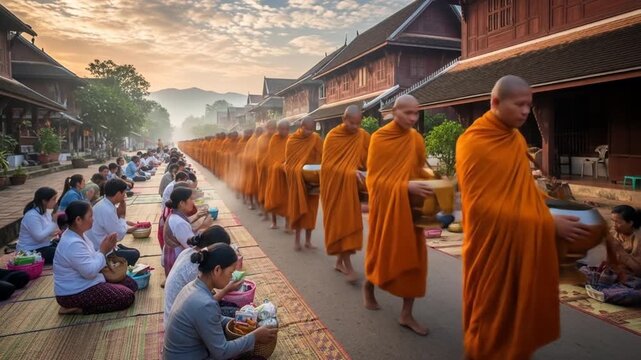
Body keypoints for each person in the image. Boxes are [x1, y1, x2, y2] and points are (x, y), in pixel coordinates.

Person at [456, 75, 590, 358]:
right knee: (489, 322)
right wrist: (546, 222)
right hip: (491, 246)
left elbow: (522, 188)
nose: (526, 111)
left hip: (520, 240)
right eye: (519, 104)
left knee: (518, 322)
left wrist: (551, 206)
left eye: (529, 105)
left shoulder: (515, 139)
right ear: (495, 102)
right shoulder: (473, 142)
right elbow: (482, 207)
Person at [362, 95, 432, 336]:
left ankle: (406, 313)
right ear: (394, 111)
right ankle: (369, 287)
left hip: (411, 209)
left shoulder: (416, 139)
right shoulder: (380, 138)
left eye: (416, 113)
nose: (413, 118)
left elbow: (418, 169)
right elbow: (374, 179)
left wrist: (433, 182)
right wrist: (404, 186)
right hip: (388, 207)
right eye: (408, 113)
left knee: (415, 259)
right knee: (383, 253)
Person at [163, 243, 277, 360]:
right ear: (217, 270)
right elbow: (222, 352)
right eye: (230, 273)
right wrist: (254, 337)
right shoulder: (205, 304)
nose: (231, 278)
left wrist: (239, 321)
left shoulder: (192, 287)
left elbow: (215, 318)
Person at [54, 201, 137, 315]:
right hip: (74, 292)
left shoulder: (79, 234)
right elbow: (90, 272)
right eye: (90, 216)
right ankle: (77, 309)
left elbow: (91, 259)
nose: (93, 219)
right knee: (126, 297)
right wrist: (103, 251)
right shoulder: (72, 243)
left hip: (89, 280)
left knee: (131, 284)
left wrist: (105, 248)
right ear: (78, 220)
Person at [320, 105, 370, 283]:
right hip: (334, 189)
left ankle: (339, 262)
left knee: (348, 226)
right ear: (344, 119)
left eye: (358, 123)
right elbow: (327, 166)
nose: (355, 127)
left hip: (351, 189)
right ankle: (348, 267)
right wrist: (349, 172)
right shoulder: (333, 137)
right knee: (341, 225)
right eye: (351, 123)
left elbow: (369, 159)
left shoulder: (363, 136)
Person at [163, 226, 241, 323]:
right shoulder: (194, 269)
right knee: (237, 314)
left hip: (176, 315)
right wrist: (226, 289)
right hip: (180, 320)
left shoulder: (189, 252)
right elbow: (205, 304)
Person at [581, 205, 641, 306]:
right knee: (580, 272)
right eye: (612, 221)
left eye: (617, 222)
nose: (613, 225)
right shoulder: (614, 233)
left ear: (630, 223)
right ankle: (604, 289)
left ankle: (604, 291)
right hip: (611, 275)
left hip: (632, 279)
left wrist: (621, 252)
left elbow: (639, 271)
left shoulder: (638, 239)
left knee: (632, 295)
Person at [284, 117, 323, 250]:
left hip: (313, 179)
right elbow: (288, 164)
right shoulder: (292, 140)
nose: (309, 132)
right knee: (298, 210)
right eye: (307, 129)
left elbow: (322, 157)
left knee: (311, 212)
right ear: (301, 126)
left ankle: (308, 241)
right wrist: (298, 169)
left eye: (312, 130)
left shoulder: (316, 138)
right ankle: (296, 241)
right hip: (298, 180)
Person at [85, 179, 141, 266]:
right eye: (123, 193)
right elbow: (119, 235)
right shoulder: (106, 209)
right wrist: (122, 216)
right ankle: (117, 274)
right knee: (134, 254)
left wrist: (124, 221)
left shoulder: (104, 203)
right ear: (118, 193)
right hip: (99, 249)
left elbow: (113, 224)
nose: (124, 196)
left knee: (128, 250)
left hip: (101, 243)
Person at [17, 187, 61, 264]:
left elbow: (47, 231)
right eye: (53, 199)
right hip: (30, 251)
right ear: (44, 201)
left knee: (65, 245)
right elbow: (39, 237)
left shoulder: (45, 212)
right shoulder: (32, 216)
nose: (55, 202)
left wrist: (56, 232)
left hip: (44, 246)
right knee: (61, 253)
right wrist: (54, 222)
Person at [264, 120, 291, 231]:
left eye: (285, 129)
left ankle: (288, 224)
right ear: (277, 129)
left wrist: (287, 164)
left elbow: (292, 155)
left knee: (288, 200)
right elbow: (272, 157)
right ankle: (274, 222)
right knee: (274, 198)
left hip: (286, 175)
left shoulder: (291, 139)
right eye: (280, 129)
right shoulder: (274, 140)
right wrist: (279, 165)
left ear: (288, 130)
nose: (282, 131)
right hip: (274, 173)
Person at [163, 187, 196, 276]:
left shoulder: (174, 215)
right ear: (182, 203)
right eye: (190, 199)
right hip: (176, 260)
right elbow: (192, 247)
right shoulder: (179, 223)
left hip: (171, 256)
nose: (193, 202)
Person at [256, 121, 277, 218]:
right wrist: (265, 162)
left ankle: (273, 211)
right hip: (264, 169)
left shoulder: (277, 138)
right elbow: (259, 156)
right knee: (263, 190)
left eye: (273, 128)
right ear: (266, 128)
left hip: (274, 170)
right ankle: (264, 211)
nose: (271, 130)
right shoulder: (261, 139)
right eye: (270, 128)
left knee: (274, 191)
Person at [242, 127, 264, 210]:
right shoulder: (251, 141)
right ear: (257, 132)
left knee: (258, 187)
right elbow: (247, 156)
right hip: (251, 168)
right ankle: (250, 203)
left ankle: (258, 202)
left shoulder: (261, 139)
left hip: (259, 168)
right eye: (260, 132)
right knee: (250, 186)